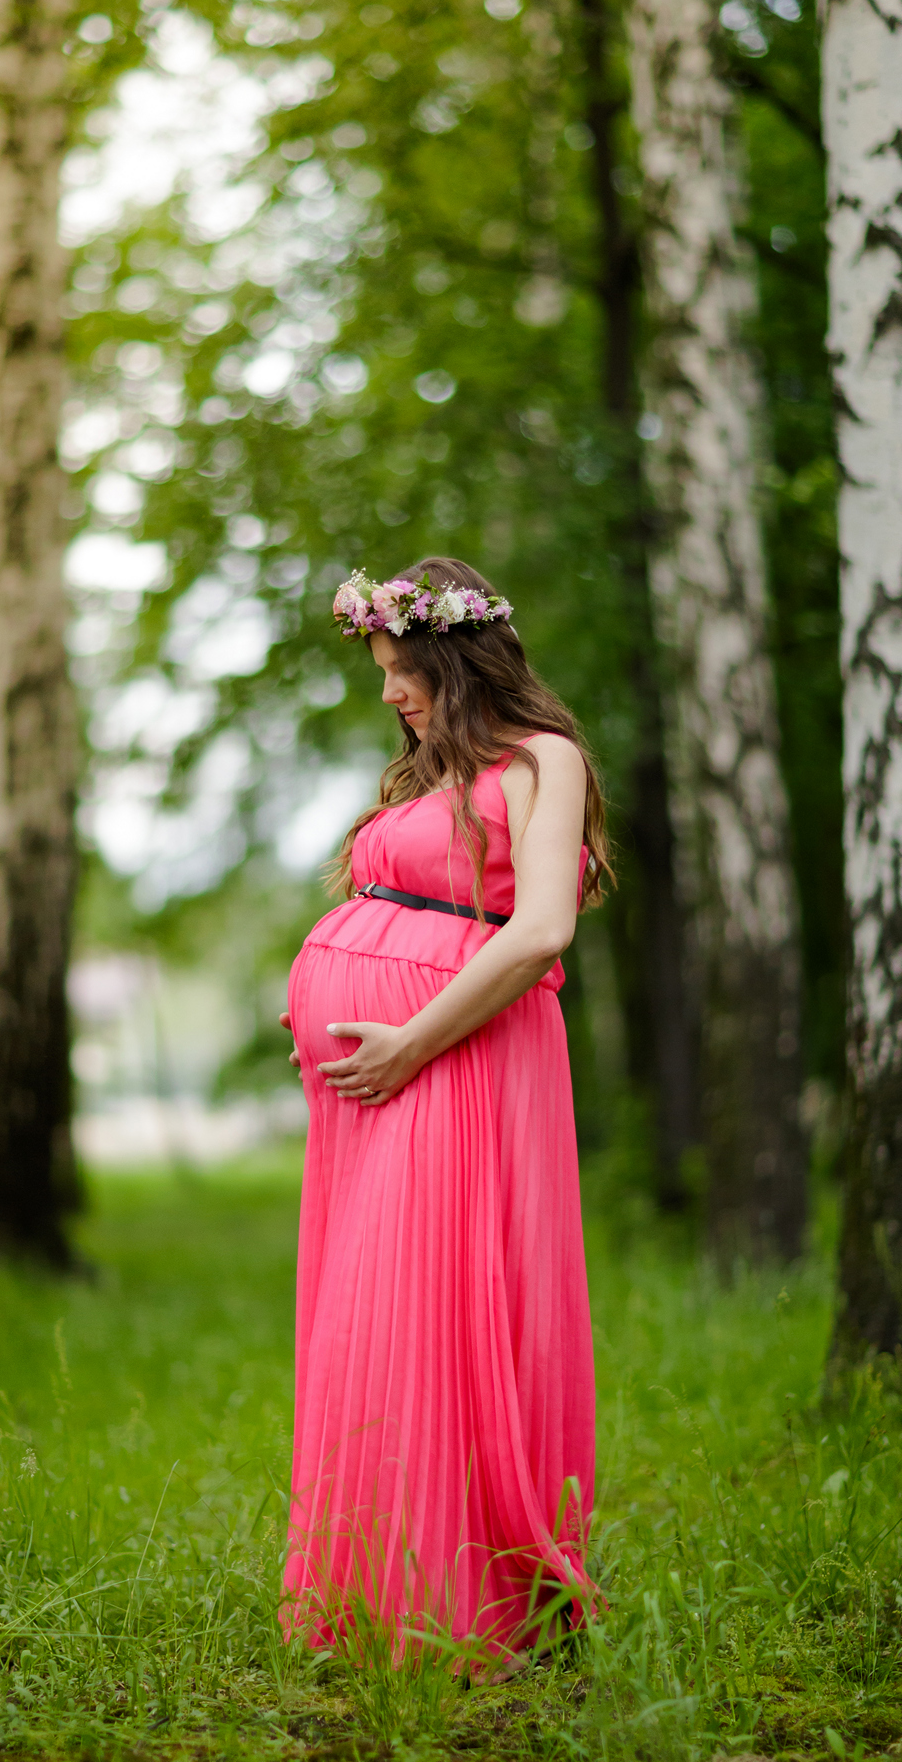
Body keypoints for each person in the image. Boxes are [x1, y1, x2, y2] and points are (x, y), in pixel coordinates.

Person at [278, 557, 607, 1665]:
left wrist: (410, 1038)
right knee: (365, 1320)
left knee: (430, 1314)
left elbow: (541, 929)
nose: (390, 693)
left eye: (401, 669)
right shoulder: (431, 774)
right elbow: (393, 907)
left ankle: (459, 1603)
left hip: (453, 1064)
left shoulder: (543, 760)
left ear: (458, 658)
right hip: (378, 1084)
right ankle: (373, 1589)